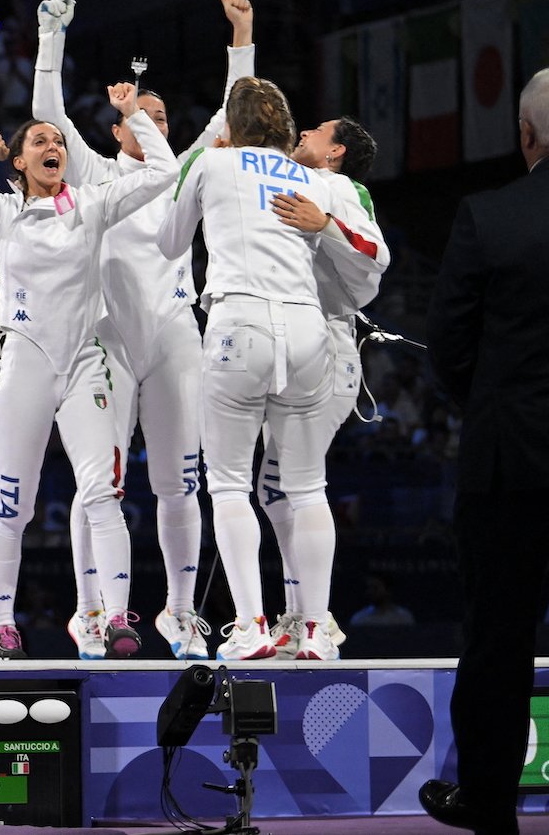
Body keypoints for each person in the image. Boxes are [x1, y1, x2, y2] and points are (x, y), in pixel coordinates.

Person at [32, 0, 254, 660]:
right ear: (118, 129)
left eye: (160, 114)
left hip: (175, 338)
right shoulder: (95, 172)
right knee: (101, 482)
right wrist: (52, 37)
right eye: (140, 114)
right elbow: (48, 114)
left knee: (181, 483)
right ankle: (90, 610)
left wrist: (241, 35)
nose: (152, 119)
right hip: (109, 341)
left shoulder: (186, 168)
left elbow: (229, 113)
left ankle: (180, 614)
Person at [0, 82, 176, 659]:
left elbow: (163, 172)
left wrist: (134, 116)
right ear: (19, 161)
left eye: (59, 140)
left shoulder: (94, 203)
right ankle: (1, 627)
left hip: (88, 362)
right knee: (12, 504)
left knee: (103, 494)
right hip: (27, 362)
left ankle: (116, 618)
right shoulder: (2, 210)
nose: (53, 144)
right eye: (39, 139)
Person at [157, 76, 334, 661]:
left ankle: (252, 626)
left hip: (240, 325)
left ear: (230, 126)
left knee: (230, 483)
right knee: (308, 489)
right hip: (308, 327)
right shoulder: (312, 177)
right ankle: (313, 631)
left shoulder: (212, 163)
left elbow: (169, 241)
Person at [419, 68, 549, 835]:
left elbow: (448, 348)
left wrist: (496, 408)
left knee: (497, 640)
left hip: (511, 465)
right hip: (510, 453)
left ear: (526, 136)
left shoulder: (488, 217)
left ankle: (491, 804)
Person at [260, 111, 389, 660]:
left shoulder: (341, 188)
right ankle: (298, 613)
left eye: (315, 131)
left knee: (303, 486)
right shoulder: (299, 182)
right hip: (289, 351)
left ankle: (317, 621)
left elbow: (375, 262)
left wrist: (326, 226)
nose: (303, 133)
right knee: (273, 488)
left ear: (334, 151)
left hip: (330, 349)